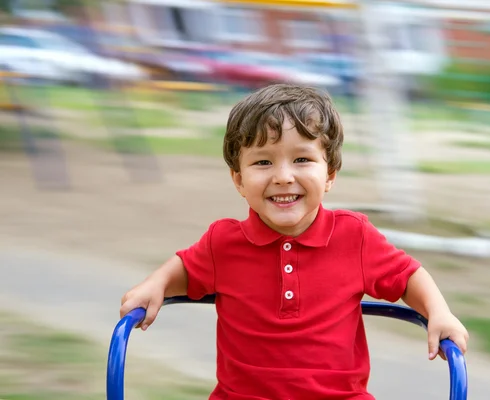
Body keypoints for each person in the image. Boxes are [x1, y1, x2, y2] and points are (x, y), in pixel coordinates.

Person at [120, 84, 469, 399]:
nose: (283, 177)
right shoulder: (223, 242)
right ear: (239, 180)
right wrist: (156, 283)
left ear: (329, 174)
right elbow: (186, 268)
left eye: (302, 159)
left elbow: (407, 276)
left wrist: (439, 312)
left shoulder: (355, 236)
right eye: (262, 162)